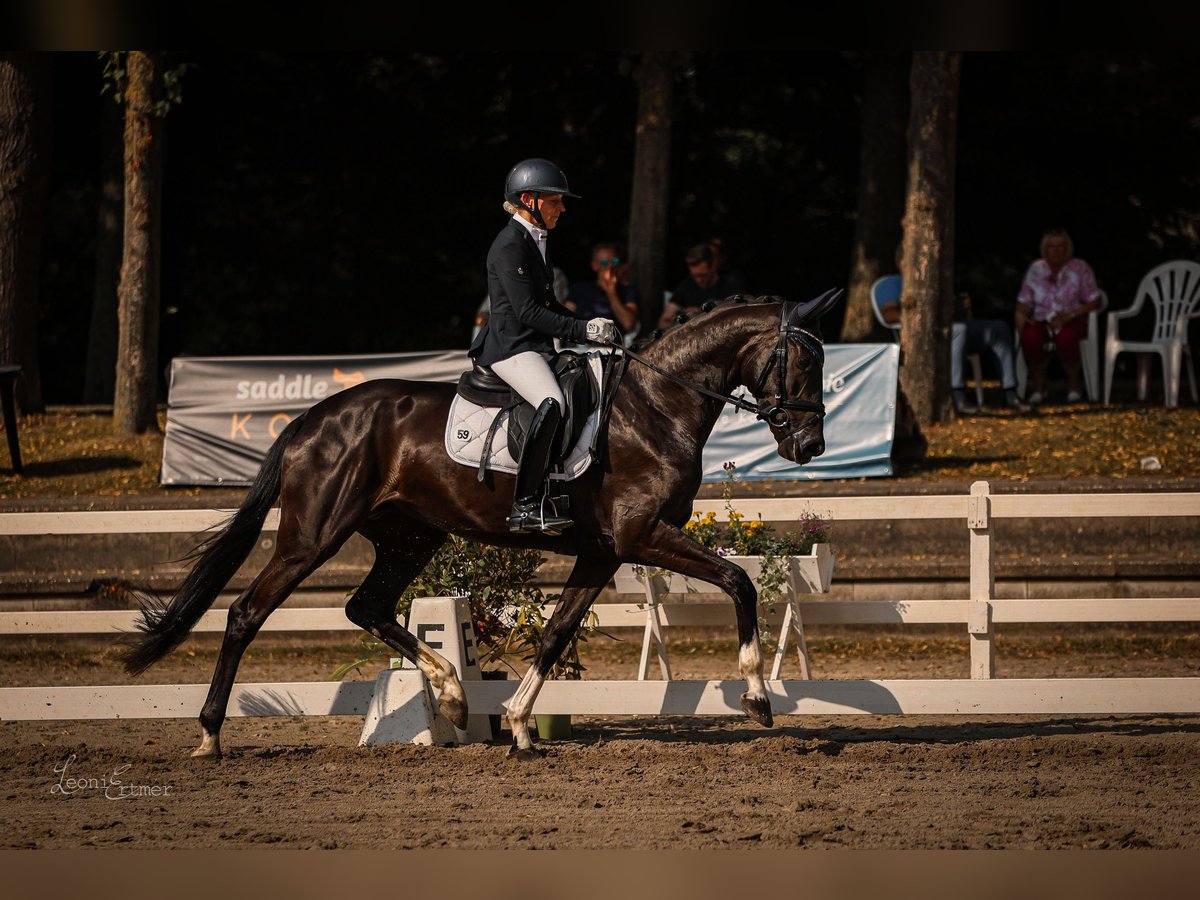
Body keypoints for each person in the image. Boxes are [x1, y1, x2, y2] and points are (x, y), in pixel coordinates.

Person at [467, 158, 616, 533]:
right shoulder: (509, 245)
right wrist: (584, 332)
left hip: (532, 344)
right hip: (510, 347)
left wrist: (587, 325)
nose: (562, 208)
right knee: (553, 402)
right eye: (555, 201)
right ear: (529, 199)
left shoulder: (534, 240)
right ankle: (526, 503)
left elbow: (548, 303)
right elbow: (528, 311)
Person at [880, 272, 1030, 414]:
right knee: (959, 330)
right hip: (929, 336)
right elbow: (888, 315)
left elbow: (964, 317)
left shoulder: (938, 277)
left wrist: (964, 309)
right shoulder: (892, 283)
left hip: (957, 330)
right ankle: (957, 394)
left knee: (999, 328)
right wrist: (923, 319)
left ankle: (1010, 392)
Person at [1014, 229, 1102, 404]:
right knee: (1030, 336)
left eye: (1060, 246)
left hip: (1072, 318)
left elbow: (1095, 301)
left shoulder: (1079, 268)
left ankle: (1074, 386)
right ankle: (1039, 388)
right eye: (1051, 247)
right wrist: (1022, 318)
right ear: (1044, 250)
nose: (1056, 251)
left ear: (1067, 249)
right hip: (1042, 320)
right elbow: (1023, 302)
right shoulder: (1036, 269)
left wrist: (1069, 316)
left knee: (1066, 337)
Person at [565, 243, 639, 344]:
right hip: (582, 344)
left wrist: (611, 291)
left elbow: (629, 324)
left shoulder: (627, 291)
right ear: (594, 266)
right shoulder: (579, 289)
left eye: (614, 261)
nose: (610, 266)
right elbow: (565, 319)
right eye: (604, 262)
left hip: (611, 345)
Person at [658, 242, 742, 327]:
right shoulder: (686, 286)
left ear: (713, 267)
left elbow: (738, 320)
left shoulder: (729, 286)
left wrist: (702, 316)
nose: (698, 280)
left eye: (702, 275)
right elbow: (664, 321)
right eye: (694, 276)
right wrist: (681, 318)